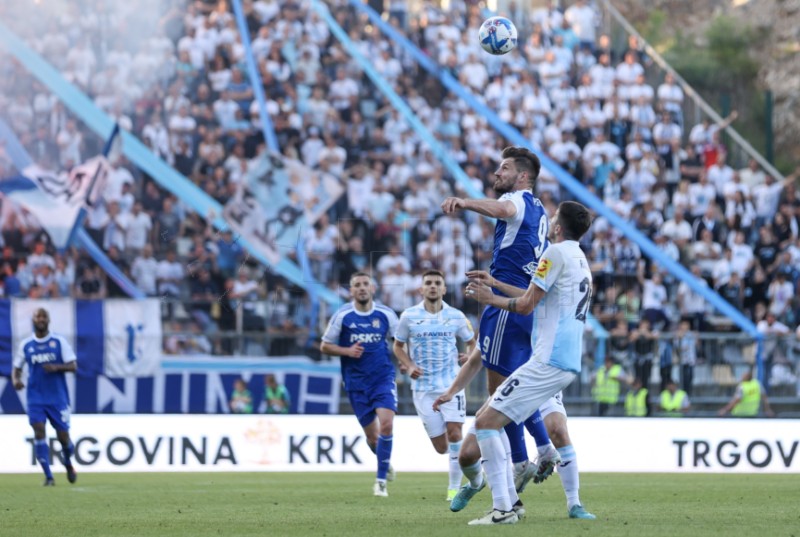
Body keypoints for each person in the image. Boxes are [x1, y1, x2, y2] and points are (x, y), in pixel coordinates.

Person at [461, 200, 594, 525]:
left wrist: (489, 299)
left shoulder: (553, 253)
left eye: (552, 218)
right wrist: (495, 282)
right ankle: (532, 475)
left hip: (547, 360)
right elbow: (537, 293)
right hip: (564, 362)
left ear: (559, 227)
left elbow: (525, 305)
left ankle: (504, 509)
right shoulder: (578, 257)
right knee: (494, 420)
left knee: (485, 424)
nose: (548, 221)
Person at [441, 146, 558, 492]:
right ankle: (536, 450)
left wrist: (464, 202)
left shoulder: (519, 200)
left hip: (507, 302)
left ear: (523, 176)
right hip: (516, 301)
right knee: (501, 389)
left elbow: (503, 208)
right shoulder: (539, 210)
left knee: (500, 391)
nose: (497, 174)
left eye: (504, 169)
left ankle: (527, 457)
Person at [393, 269, 476, 501]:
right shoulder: (409, 316)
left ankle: (454, 489)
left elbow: (472, 343)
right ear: (421, 289)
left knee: (455, 432)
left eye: (437, 283)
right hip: (423, 389)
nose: (432, 286)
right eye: (428, 282)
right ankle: (466, 461)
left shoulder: (457, 316)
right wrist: (409, 366)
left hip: (452, 384)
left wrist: (469, 356)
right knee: (441, 446)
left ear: (444, 289)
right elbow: (398, 347)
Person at [320, 272, 399, 497]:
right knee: (373, 438)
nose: (362, 288)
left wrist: (405, 363)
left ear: (373, 288)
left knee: (386, 425)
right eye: (357, 285)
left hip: (382, 378)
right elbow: (325, 346)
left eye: (366, 284)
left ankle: (380, 481)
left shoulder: (386, 314)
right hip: (356, 383)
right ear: (351, 291)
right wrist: (347, 351)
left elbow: (399, 343)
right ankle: (385, 461)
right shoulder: (343, 315)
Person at [12, 308, 78, 486]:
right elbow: (16, 368)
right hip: (35, 398)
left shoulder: (58, 342)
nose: (40, 319)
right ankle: (49, 477)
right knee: (39, 431)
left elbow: (73, 366)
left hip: (57, 397)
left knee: (63, 436)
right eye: (37, 317)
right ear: (33, 320)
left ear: (48, 320)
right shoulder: (26, 344)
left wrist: (56, 367)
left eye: (43, 317)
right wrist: (16, 380)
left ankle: (68, 462)